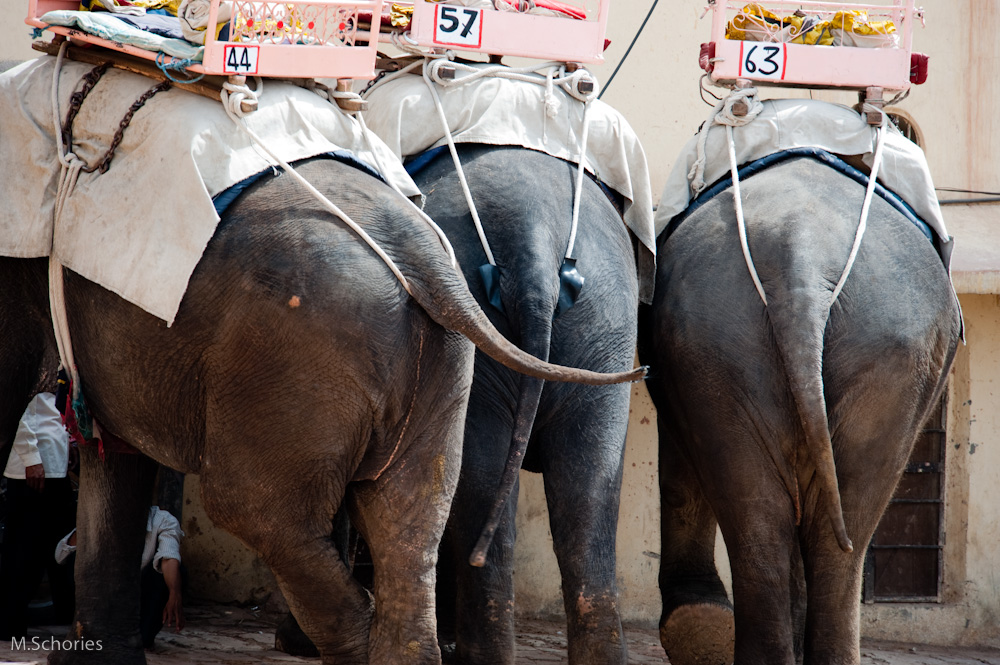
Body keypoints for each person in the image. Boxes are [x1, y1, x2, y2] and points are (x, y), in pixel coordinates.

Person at [0, 392, 77, 639]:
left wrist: (71, 443)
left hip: (56, 466)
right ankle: (9, 624)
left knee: (58, 547)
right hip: (31, 471)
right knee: (23, 551)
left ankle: (65, 615)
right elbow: (18, 412)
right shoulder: (34, 364)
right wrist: (31, 458)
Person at [54, 505, 185, 649]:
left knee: (176, 571)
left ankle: (143, 632)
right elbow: (60, 556)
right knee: (76, 558)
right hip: (102, 597)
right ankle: (90, 626)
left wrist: (174, 592)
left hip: (138, 597)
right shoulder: (103, 512)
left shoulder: (163, 519)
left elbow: (169, 556)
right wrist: (88, 525)